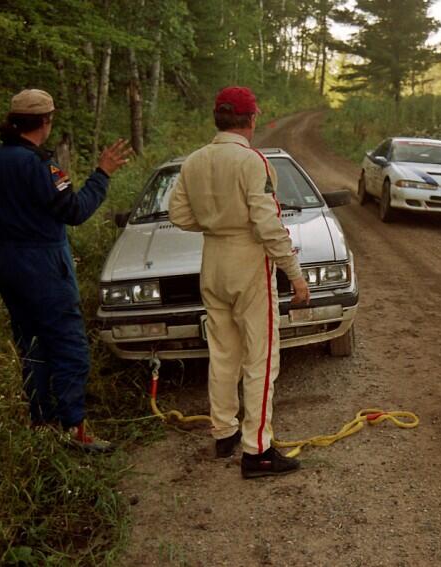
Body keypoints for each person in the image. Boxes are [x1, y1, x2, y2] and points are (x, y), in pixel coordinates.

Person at [0, 89, 132, 452]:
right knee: (68, 344)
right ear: (46, 122)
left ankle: (41, 424)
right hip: (44, 264)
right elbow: (75, 210)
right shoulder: (41, 167)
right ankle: (75, 429)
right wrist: (102, 174)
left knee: (31, 345)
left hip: (8, 263)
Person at [168, 86, 310, 479]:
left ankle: (224, 430)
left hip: (212, 259)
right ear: (251, 119)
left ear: (218, 118)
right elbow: (267, 223)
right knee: (262, 357)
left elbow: (178, 214)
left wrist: (215, 224)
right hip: (247, 261)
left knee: (223, 352)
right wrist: (294, 275)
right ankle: (257, 450)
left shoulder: (194, 161)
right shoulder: (253, 162)